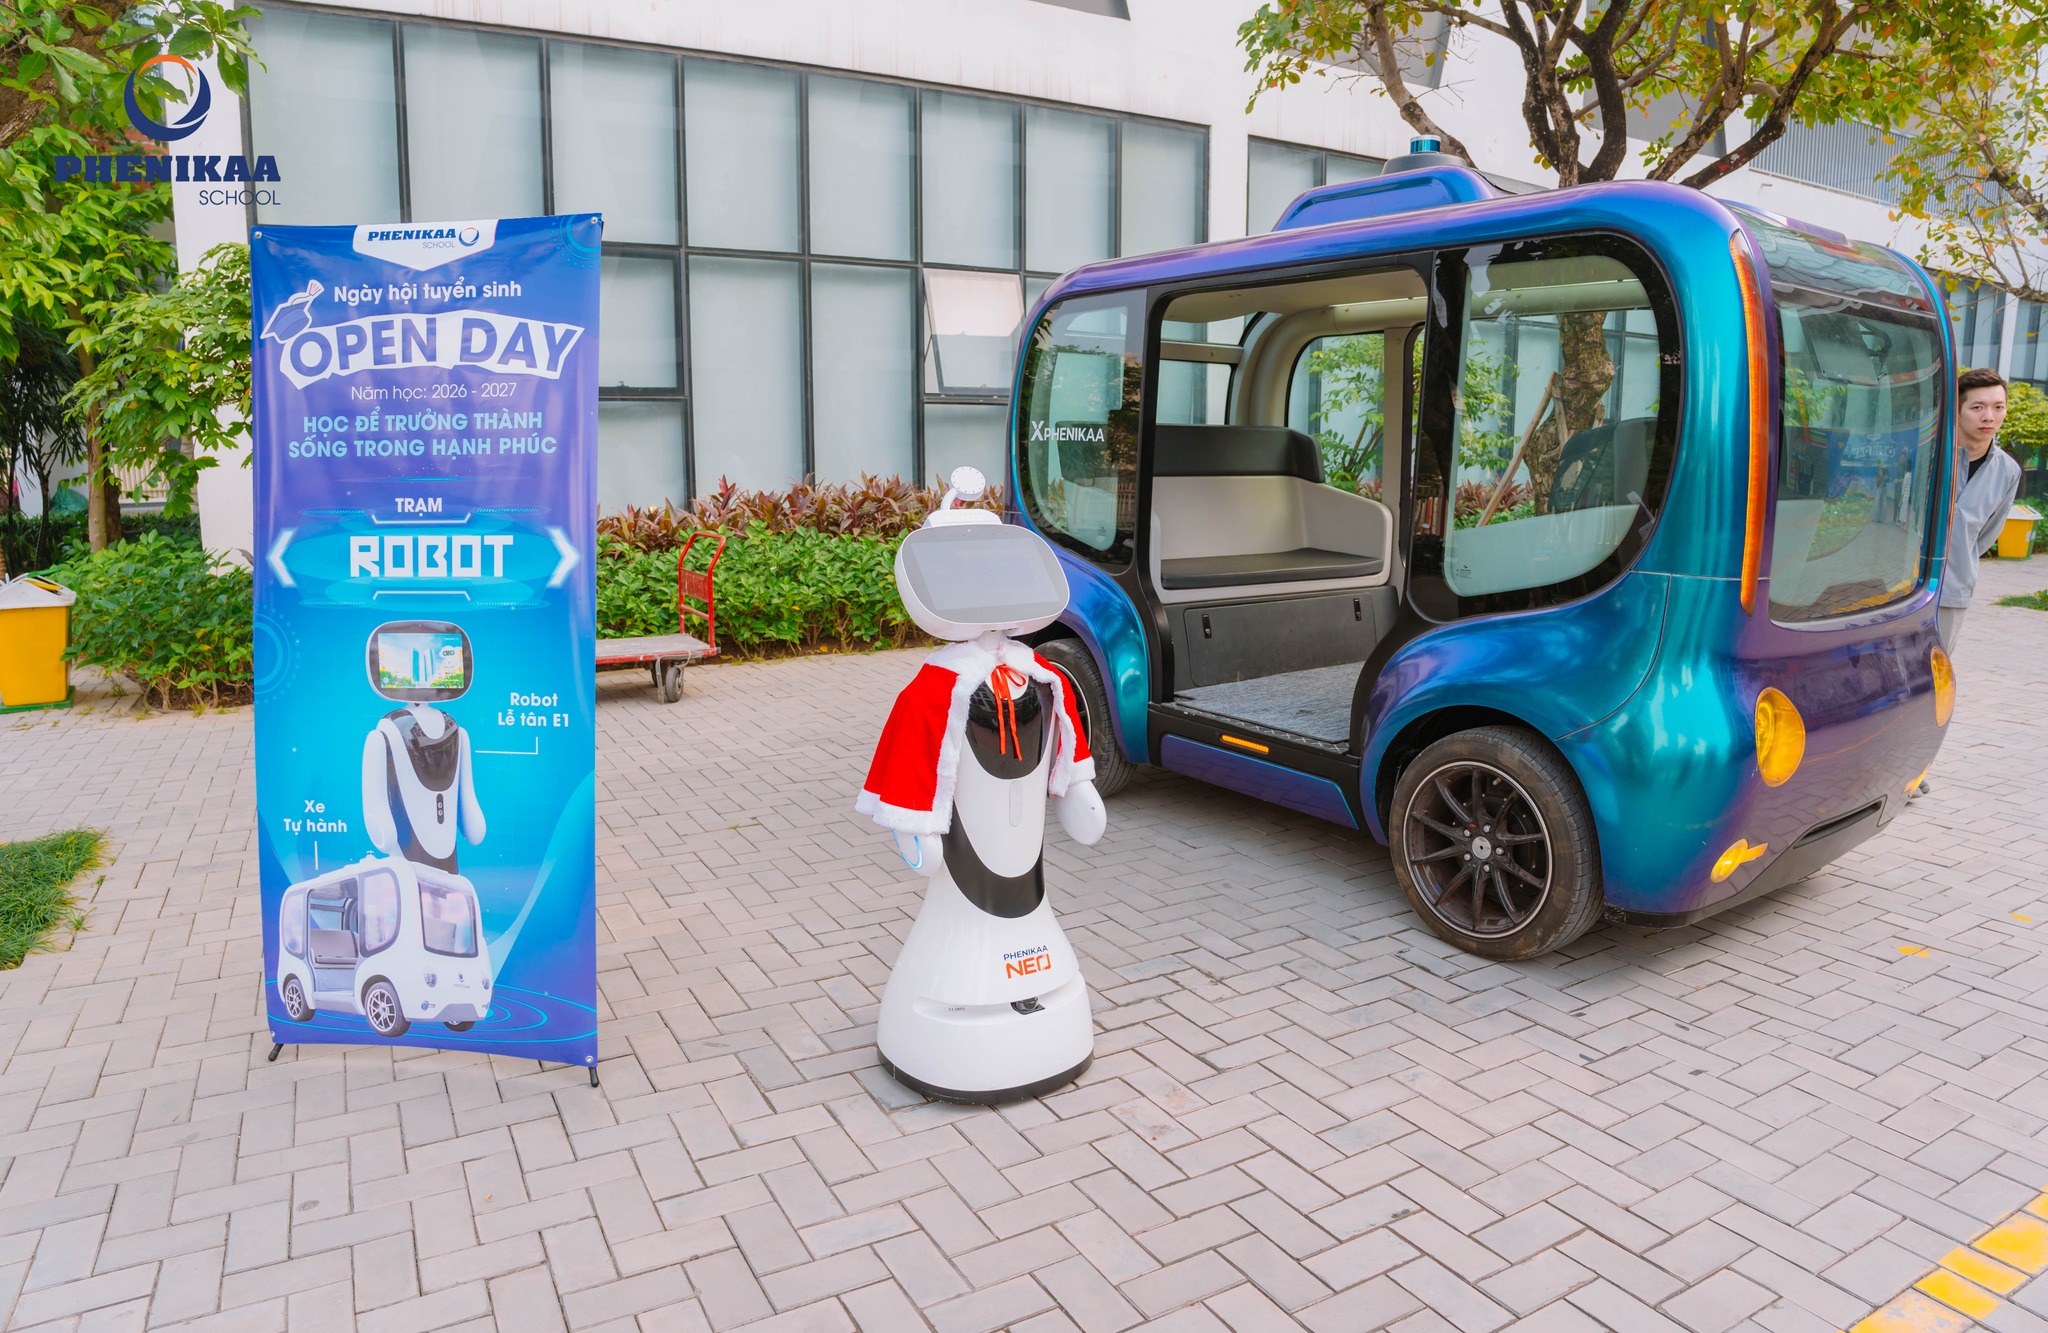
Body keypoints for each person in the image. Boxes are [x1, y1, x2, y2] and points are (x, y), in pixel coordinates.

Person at [1940, 367, 2023, 652]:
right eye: (1977, 407)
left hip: (1953, 591)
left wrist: (1960, 557)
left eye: (1998, 407)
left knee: (1935, 669)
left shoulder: (2008, 471)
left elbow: (1986, 536)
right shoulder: (1929, 455)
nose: (1989, 417)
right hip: (1902, 587)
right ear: (1957, 410)